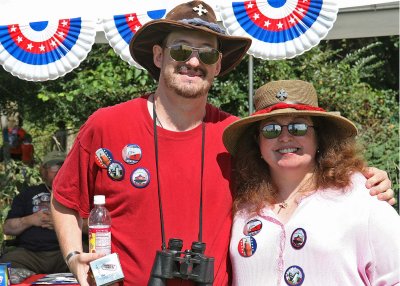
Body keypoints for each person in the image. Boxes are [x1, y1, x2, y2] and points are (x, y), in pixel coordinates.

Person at [49, 2, 394, 285]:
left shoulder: (236, 136)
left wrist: (363, 179)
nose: (194, 62)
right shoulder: (107, 125)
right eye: (181, 49)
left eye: (207, 55)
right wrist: (72, 256)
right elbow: (65, 201)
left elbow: (297, 175)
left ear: (218, 68)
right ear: (158, 56)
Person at [222, 80, 400, 285]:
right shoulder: (244, 204)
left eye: (298, 127)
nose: (285, 137)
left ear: (319, 136)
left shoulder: (362, 194)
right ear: (257, 140)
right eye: (271, 129)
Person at [0, 151, 69, 273]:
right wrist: (30, 220)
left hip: (66, 253)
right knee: (6, 263)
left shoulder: (78, 193)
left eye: (64, 166)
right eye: (54, 166)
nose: (60, 170)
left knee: (93, 261)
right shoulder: (28, 193)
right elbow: (7, 228)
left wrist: (61, 223)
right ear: (43, 171)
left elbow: (91, 225)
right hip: (30, 255)